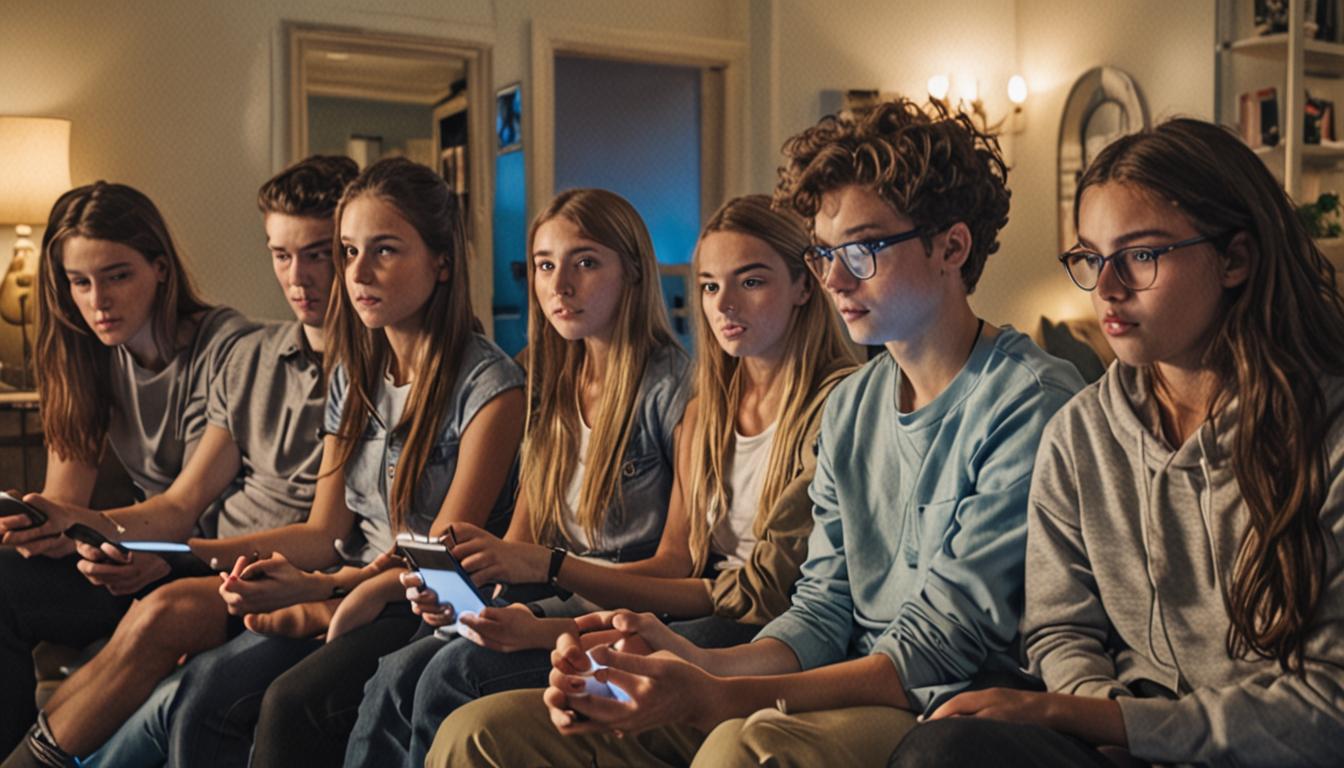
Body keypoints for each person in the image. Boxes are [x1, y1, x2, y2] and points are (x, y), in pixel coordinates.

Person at [426, 98, 1085, 768]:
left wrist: (716, 693)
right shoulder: (857, 404)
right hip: (834, 675)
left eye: (861, 251)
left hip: (939, 704)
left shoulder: (1027, 400)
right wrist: (689, 658)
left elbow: (934, 649)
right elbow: (821, 611)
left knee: (744, 746)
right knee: (489, 728)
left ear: (951, 246)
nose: (833, 278)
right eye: (826, 253)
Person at [890, 119, 1344, 767]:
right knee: (943, 749)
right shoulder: (1082, 433)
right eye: (1090, 257)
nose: (1106, 286)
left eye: (1142, 254)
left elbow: (1332, 705)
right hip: (1122, 743)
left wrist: (1122, 724)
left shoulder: (1328, 433)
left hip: (1271, 750)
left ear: (1235, 258)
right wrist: (1103, 715)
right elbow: (1061, 628)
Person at [345, 194, 854, 767]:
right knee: (400, 671)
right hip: (635, 598)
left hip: (737, 620)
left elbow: (719, 579)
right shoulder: (711, 397)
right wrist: (474, 591)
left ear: (804, 286)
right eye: (709, 286)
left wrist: (547, 590)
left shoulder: (812, 403)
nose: (724, 304)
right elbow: (524, 542)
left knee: (452, 676)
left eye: (751, 282)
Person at [110, 157, 525, 768]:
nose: (359, 273)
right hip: (355, 583)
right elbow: (324, 531)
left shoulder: (492, 386)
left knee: (289, 703)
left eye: (384, 251)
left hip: (422, 605)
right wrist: (182, 560)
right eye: (350, 252)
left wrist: (325, 592)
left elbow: (440, 563)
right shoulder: (355, 376)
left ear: (441, 263)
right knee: (203, 694)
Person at [0, 155, 359, 768]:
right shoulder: (258, 356)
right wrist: (55, 524)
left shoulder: (244, 350)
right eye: (279, 255)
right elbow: (177, 501)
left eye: (319, 253)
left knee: (162, 613)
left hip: (211, 559)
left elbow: (317, 534)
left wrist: (166, 557)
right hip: (176, 551)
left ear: (159, 270)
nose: (297, 277)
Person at [0, 182, 252, 757]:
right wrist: (43, 527)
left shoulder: (227, 349)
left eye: (117, 276)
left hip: (207, 558)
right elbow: (69, 501)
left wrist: (83, 524)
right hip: (133, 553)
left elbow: (182, 508)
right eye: (80, 282)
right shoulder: (86, 354)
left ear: (160, 268)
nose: (98, 301)